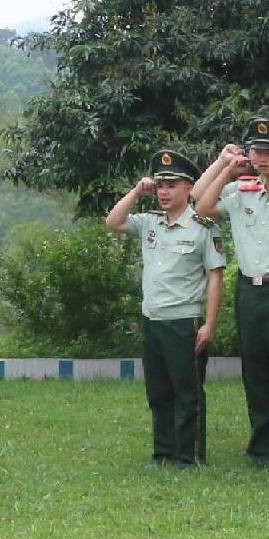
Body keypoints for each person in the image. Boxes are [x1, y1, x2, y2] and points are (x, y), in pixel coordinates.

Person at [194, 119, 269, 473]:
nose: (259, 158)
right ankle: (262, 444)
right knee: (256, 372)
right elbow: (200, 202)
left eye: (268, 152)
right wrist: (226, 166)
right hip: (249, 290)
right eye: (255, 151)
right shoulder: (242, 190)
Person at [105, 149, 223, 467]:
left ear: (189, 187)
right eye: (160, 186)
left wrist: (209, 324)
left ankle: (189, 455)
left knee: (187, 392)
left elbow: (215, 278)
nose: (164, 192)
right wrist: (135, 192)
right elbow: (113, 221)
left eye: (171, 185)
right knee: (158, 392)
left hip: (184, 320)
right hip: (153, 318)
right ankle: (164, 452)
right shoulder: (150, 223)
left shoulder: (203, 227)